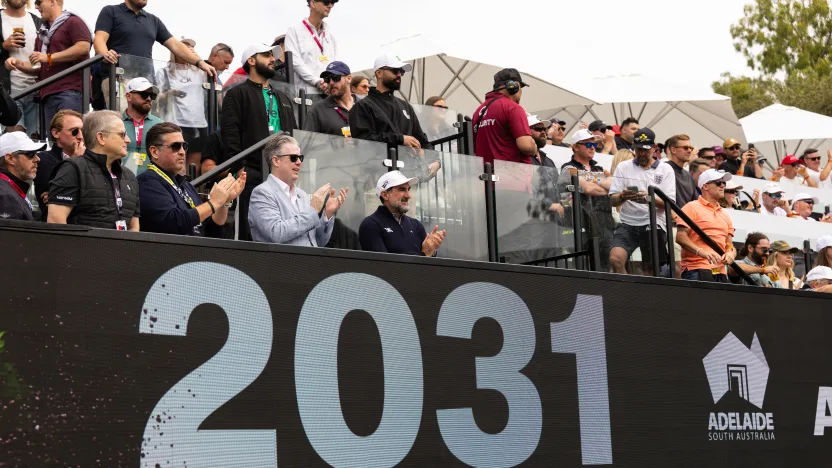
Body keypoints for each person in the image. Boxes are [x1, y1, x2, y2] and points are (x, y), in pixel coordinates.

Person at [221, 43, 296, 241]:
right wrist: (240, 167)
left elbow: (294, 134)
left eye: (273, 55)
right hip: (251, 172)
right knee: (249, 229)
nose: (273, 59)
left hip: (283, 172)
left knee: (285, 225)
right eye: (266, 55)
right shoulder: (236, 94)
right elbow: (230, 133)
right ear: (251, 61)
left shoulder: (283, 97)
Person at [93, 0, 216, 109]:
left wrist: (200, 62)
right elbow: (99, 39)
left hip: (146, 82)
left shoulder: (153, 20)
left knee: (149, 126)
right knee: (124, 123)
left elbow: (175, 45)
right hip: (119, 79)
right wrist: (105, 53)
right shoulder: (111, 11)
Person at [138, 122, 245, 236]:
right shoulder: (148, 182)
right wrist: (213, 203)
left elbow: (210, 232)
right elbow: (175, 223)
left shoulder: (185, 185)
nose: (182, 152)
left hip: (196, 252)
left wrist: (224, 201)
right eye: (175, 146)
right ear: (155, 152)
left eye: (184, 146)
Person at [6, 0, 91, 131]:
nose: (36, 6)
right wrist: (18, 63)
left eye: (39, 2)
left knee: (70, 137)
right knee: (55, 141)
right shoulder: (42, 33)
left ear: (53, 1)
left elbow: (83, 47)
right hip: (48, 95)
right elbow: (39, 67)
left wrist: (49, 57)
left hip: (69, 91)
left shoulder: (73, 21)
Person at [47, 110, 140, 231]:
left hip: (121, 249)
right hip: (83, 249)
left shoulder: (130, 176)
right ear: (101, 137)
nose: (128, 140)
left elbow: (134, 226)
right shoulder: (72, 169)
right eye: (122, 134)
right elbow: (56, 221)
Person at [249, 133, 347, 245]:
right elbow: (276, 233)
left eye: (300, 158)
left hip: (310, 261)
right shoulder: (262, 193)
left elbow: (317, 242)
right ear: (276, 161)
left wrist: (327, 214)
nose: (299, 162)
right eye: (294, 157)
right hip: (282, 262)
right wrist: (313, 211)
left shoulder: (302, 195)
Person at [608, 128, 676, 276]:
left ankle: (647, 297)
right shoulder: (623, 166)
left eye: (645, 150)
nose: (642, 153)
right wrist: (623, 196)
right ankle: (626, 295)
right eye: (638, 149)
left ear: (654, 148)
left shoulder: (666, 169)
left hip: (653, 222)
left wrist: (648, 199)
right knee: (615, 259)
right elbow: (612, 200)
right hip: (628, 223)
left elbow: (669, 203)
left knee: (651, 269)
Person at [350, 54, 431, 150]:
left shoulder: (406, 106)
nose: (399, 75)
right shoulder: (363, 106)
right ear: (379, 73)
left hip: (408, 164)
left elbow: (421, 139)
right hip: (379, 164)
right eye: (395, 71)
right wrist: (400, 139)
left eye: (401, 71)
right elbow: (362, 141)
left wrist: (435, 161)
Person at [561, 128, 614, 270]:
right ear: (576, 147)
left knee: (606, 269)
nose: (593, 148)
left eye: (595, 145)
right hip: (582, 227)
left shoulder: (599, 168)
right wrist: (603, 184)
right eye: (588, 145)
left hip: (605, 226)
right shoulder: (568, 168)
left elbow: (614, 185)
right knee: (584, 268)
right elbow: (588, 189)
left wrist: (590, 179)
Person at [359, 170, 445, 256]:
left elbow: (430, 267)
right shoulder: (370, 225)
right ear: (385, 195)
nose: (408, 196)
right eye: (402, 189)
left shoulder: (416, 225)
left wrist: (432, 250)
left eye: (408, 189)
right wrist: (425, 253)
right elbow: (383, 267)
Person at [675, 169, 735, 283]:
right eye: (718, 183)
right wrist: (701, 251)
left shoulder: (725, 214)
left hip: (720, 271)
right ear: (705, 186)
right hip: (696, 268)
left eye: (724, 183)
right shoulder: (691, 207)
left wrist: (731, 253)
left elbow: (729, 244)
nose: (722, 186)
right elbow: (680, 237)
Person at [471, 68, 535, 165]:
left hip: (485, 176)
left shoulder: (478, 111)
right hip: (511, 175)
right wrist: (534, 146)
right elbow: (526, 146)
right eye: (521, 86)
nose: (521, 91)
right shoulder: (513, 108)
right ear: (514, 87)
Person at [155, 38, 208, 149]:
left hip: (198, 123)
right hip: (176, 123)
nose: (189, 50)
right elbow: (156, 99)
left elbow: (213, 79)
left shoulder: (200, 72)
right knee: (177, 159)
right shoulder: (164, 72)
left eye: (191, 48)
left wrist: (198, 60)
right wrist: (170, 93)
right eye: (185, 47)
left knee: (195, 161)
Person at [34, 109, 84, 218]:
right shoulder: (43, 159)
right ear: (56, 133)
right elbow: (60, 190)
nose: (80, 136)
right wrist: (76, 160)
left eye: (83, 131)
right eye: (74, 131)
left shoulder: (90, 160)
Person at [1, 0, 40, 134]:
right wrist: (3, 46)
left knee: (36, 142)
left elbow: (45, 55)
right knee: (16, 142)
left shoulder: (37, 21)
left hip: (36, 90)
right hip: (8, 93)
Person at [284, 0, 338, 92]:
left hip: (328, 94)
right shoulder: (294, 31)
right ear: (313, 3)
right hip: (304, 94)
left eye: (332, 2)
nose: (330, 6)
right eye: (326, 2)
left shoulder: (330, 36)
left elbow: (333, 64)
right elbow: (295, 62)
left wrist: (331, 83)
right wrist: (316, 81)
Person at [120, 77, 162, 176]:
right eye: (144, 94)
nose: (148, 99)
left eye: (151, 95)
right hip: (121, 182)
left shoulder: (160, 125)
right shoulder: (115, 123)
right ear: (129, 96)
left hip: (151, 184)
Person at [0, 131, 44, 220]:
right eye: (30, 154)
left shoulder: (8, 190)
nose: (37, 159)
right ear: (10, 158)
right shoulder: (6, 196)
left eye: (36, 153)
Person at [303, 60, 353, 136]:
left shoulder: (363, 106)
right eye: (327, 79)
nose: (331, 83)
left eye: (336, 78)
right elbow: (307, 143)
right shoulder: (317, 110)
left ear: (349, 78)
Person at [664, 134, 696, 207]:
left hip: (686, 216)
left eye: (691, 148)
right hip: (669, 217)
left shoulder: (688, 175)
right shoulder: (664, 169)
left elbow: (694, 201)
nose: (689, 151)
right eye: (685, 148)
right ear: (673, 150)